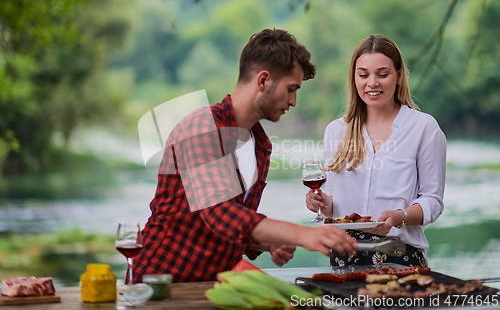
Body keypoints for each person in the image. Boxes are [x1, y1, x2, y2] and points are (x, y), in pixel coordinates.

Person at [133, 28, 357, 283]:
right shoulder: (202, 127)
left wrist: (267, 243)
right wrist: (302, 234)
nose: (294, 101)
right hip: (161, 285)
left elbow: (231, 224)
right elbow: (219, 212)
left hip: (215, 286)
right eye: (291, 89)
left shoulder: (261, 145)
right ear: (263, 81)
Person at [305, 34, 446, 268]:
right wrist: (320, 202)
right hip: (344, 255)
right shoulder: (336, 130)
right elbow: (332, 204)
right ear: (354, 78)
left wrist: (401, 217)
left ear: (399, 76)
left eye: (382, 74)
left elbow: (433, 201)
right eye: (363, 75)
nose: (372, 83)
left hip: (400, 257)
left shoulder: (423, 127)